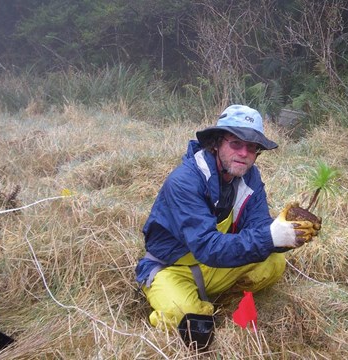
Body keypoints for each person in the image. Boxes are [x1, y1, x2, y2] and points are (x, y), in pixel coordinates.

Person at [135, 104, 319, 346]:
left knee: (274, 263)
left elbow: (258, 225)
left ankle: (220, 298)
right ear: (216, 143)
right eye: (235, 144)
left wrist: (289, 234)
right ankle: (185, 304)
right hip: (172, 268)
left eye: (252, 147)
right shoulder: (185, 181)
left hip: (216, 265)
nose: (244, 153)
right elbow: (206, 247)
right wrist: (270, 237)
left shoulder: (250, 176)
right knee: (189, 320)